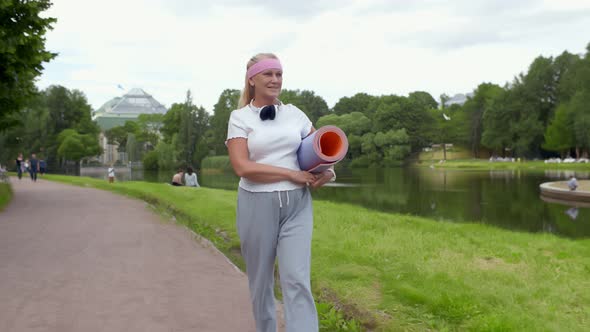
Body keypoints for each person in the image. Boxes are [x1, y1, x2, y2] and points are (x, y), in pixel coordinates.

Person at [226, 53, 336, 332]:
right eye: (268, 74)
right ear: (252, 79)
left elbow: (319, 151)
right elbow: (242, 166)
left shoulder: (296, 114)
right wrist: (289, 173)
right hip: (256, 203)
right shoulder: (239, 118)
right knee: (261, 282)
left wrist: (329, 172)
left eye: (279, 74)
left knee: (297, 279)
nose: (275, 80)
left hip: (297, 204)